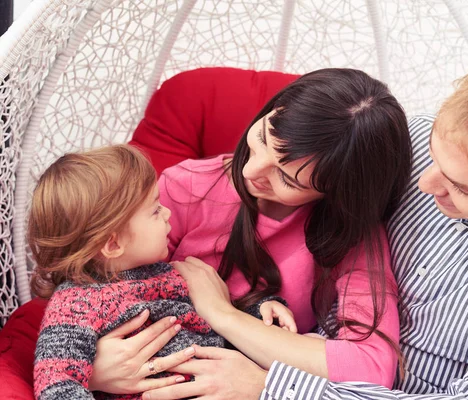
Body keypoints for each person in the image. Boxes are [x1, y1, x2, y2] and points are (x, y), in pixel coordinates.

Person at [87, 48, 468, 400]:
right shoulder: (408, 142)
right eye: (434, 156)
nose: (423, 185)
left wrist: (270, 385)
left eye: (461, 189)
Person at [85, 67, 414, 396]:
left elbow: (371, 369)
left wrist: (221, 312)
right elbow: (99, 297)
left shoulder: (351, 235)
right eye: (262, 139)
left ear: (336, 193)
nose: (250, 170)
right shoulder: (186, 187)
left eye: (287, 179)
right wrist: (92, 370)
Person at [29, 145, 296, 400]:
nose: (168, 213)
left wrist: (262, 308)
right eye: (155, 210)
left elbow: (219, 316)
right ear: (113, 244)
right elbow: (56, 383)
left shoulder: (172, 274)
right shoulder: (75, 305)